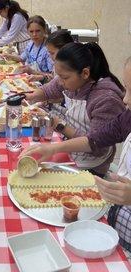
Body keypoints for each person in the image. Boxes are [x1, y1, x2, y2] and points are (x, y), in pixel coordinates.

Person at [21, 57, 131, 251]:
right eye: (126, 88)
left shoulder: (105, 99)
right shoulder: (128, 117)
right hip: (117, 212)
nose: (125, 99)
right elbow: (95, 139)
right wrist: (52, 149)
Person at [25, 42, 125, 175]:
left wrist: (59, 125)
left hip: (91, 164)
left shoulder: (106, 99)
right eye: (58, 76)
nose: (60, 82)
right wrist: (30, 96)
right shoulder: (72, 80)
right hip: (69, 148)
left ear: (85, 73)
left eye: (64, 77)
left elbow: (97, 145)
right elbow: (50, 89)